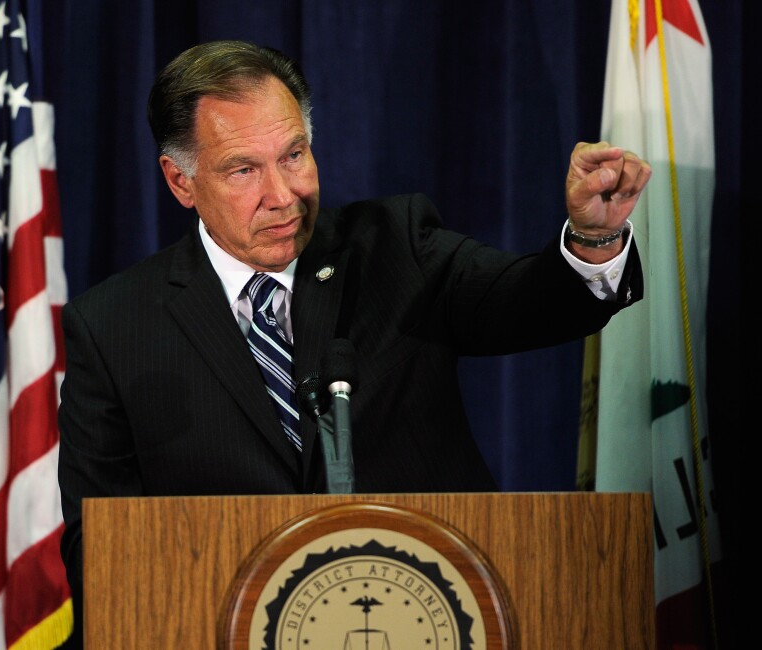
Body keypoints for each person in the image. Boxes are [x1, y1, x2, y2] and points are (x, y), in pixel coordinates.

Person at [57, 39, 651, 643]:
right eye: (244, 170)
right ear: (180, 181)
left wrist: (590, 238)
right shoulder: (112, 327)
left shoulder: (395, 247)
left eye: (294, 155)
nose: (283, 195)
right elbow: (99, 552)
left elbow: (531, 302)